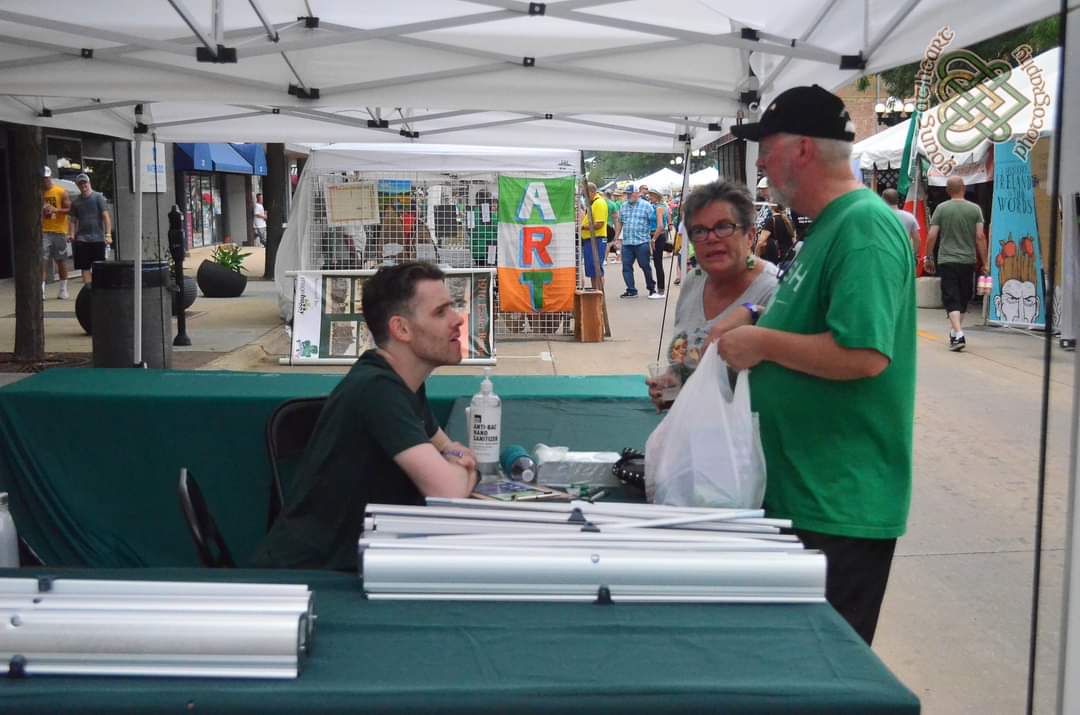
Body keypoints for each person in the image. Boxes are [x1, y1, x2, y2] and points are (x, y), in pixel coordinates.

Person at [720, 84, 916, 646]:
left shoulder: (864, 227)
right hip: (803, 493)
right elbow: (810, 306)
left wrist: (761, 343)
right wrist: (755, 313)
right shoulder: (828, 225)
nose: (759, 161)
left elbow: (864, 354)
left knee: (821, 674)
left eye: (767, 146)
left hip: (840, 505)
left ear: (803, 150)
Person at [252, 262, 480, 570]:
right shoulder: (378, 391)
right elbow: (448, 493)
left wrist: (454, 460)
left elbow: (449, 448)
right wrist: (465, 468)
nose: (457, 320)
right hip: (310, 581)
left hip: (352, 567)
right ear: (401, 329)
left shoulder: (403, 382)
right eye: (441, 312)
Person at [646, 181, 778, 410]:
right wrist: (672, 381)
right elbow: (685, 361)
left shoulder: (772, 290)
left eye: (724, 226)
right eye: (699, 231)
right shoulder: (694, 281)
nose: (711, 238)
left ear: (750, 235)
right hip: (694, 432)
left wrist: (750, 312)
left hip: (748, 439)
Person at [924, 176, 987, 351]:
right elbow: (980, 237)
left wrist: (928, 257)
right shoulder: (975, 209)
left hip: (947, 259)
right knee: (963, 298)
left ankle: (957, 333)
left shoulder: (941, 209)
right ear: (964, 188)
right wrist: (985, 261)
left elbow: (931, 235)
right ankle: (957, 333)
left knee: (951, 297)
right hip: (968, 260)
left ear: (947, 191)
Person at [613, 184, 658, 299]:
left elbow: (653, 222)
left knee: (645, 266)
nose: (628, 196)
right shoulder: (623, 206)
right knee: (626, 266)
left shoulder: (646, 206)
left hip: (641, 242)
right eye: (627, 194)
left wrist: (654, 237)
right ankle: (631, 290)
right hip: (627, 242)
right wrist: (617, 238)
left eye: (630, 193)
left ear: (637, 193)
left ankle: (651, 288)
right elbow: (620, 222)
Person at [69, 173, 111, 285]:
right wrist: (72, 234)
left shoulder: (98, 197)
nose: (83, 185)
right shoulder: (76, 202)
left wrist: (108, 234)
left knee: (99, 266)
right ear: (78, 186)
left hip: (98, 238)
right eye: (80, 184)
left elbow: (106, 217)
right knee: (85, 267)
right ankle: (88, 290)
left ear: (89, 183)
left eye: (85, 183)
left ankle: (99, 287)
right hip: (82, 239)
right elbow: (72, 220)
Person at [41, 166, 71, 300]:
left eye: (46, 178)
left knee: (60, 261)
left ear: (50, 177)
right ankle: (41, 290)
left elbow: (69, 209)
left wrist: (55, 210)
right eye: (42, 179)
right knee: (42, 260)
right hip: (43, 230)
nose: (45, 181)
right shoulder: (39, 192)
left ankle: (63, 289)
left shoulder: (60, 191)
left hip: (59, 230)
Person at [580, 182, 608, 290]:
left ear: (591, 192)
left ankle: (599, 293)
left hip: (597, 239)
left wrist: (583, 227)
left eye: (584, 194)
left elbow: (599, 224)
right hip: (590, 240)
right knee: (592, 270)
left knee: (596, 269)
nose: (584, 197)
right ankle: (595, 291)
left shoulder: (599, 203)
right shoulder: (593, 204)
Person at [754, 201, 796, 266]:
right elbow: (793, 239)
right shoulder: (788, 220)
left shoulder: (771, 221)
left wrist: (755, 257)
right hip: (791, 257)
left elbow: (760, 242)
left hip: (779, 259)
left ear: (771, 207)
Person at [881, 188, 919, 259]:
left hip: (884, 255)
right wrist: (913, 254)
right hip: (903, 255)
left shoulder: (879, 217)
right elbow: (917, 239)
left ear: (883, 200)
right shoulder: (910, 217)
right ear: (897, 200)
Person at [646, 189, 670, 297]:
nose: (649, 198)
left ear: (656, 196)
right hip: (658, 235)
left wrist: (653, 239)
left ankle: (661, 289)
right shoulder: (661, 206)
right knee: (657, 262)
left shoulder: (659, 208)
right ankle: (660, 288)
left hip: (657, 236)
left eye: (651, 196)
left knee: (658, 263)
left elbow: (660, 226)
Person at [469, 190, 498, 266]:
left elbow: (469, 231)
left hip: (476, 248)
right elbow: (497, 229)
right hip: (490, 247)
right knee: (491, 270)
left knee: (480, 271)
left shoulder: (471, 213)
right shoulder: (488, 213)